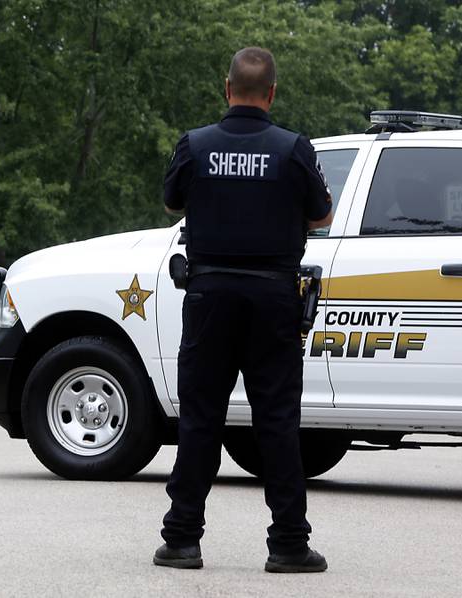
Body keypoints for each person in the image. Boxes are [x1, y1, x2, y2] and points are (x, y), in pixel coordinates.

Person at [154, 47, 333, 573]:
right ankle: (289, 546)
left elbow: (172, 204)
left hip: (208, 297)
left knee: (201, 420)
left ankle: (182, 539)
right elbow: (321, 218)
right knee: (277, 421)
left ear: (226, 88)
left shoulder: (195, 145)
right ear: (272, 93)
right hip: (274, 299)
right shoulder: (293, 149)